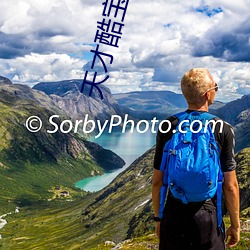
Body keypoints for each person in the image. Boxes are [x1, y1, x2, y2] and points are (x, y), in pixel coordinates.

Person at [152, 68, 240, 250]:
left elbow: (157, 181)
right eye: (216, 87)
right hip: (207, 215)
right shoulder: (222, 129)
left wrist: (158, 218)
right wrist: (235, 225)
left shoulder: (168, 125)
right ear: (208, 94)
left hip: (174, 212)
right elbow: (230, 185)